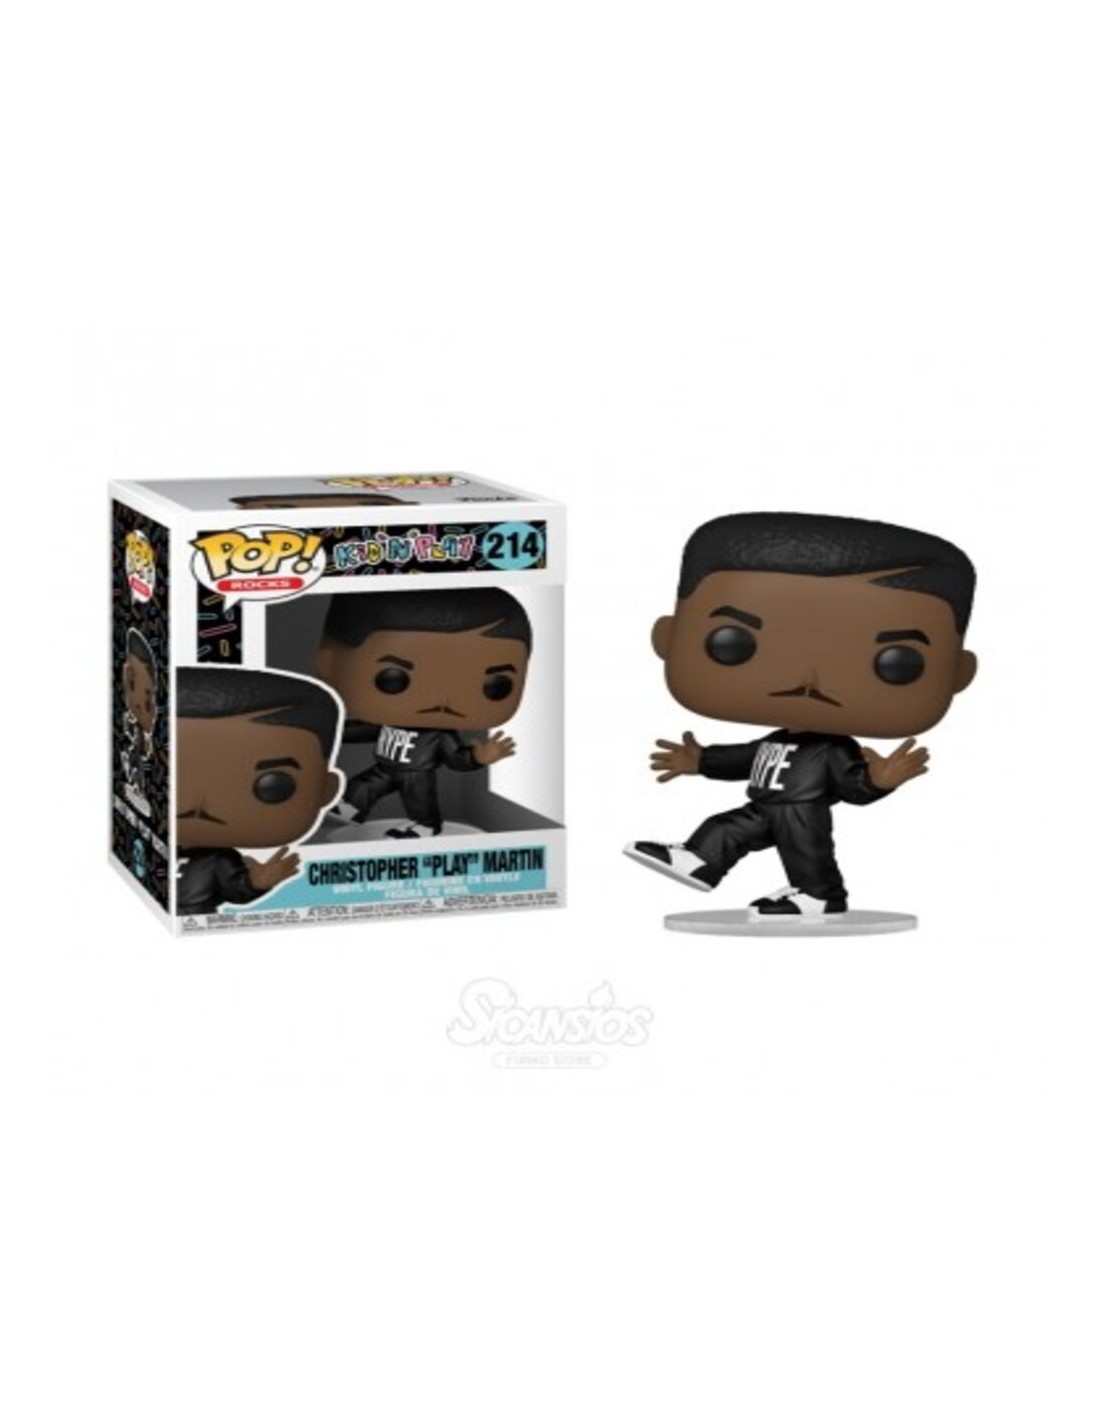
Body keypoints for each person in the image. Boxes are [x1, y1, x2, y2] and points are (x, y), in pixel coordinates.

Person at [624, 512, 977, 917]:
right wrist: (701, 760)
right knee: (724, 826)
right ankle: (700, 859)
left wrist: (876, 781)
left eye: (896, 663)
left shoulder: (832, 750)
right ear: (668, 638)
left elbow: (851, 786)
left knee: (806, 853)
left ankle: (819, 895)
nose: (809, 679)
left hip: (802, 813)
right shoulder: (779, 740)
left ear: (957, 673)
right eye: (732, 643)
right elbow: (746, 757)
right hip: (764, 806)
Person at [315, 587, 531, 838]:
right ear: (328, 663)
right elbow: (365, 730)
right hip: (386, 766)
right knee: (363, 785)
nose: (443, 699)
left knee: (418, 799)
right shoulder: (390, 720)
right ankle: (350, 807)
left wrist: (477, 757)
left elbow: (454, 758)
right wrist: (332, 730)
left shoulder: (438, 735)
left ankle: (427, 824)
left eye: (495, 686)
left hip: (416, 774)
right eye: (393, 679)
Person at [175, 667, 343, 915]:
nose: (200, 803)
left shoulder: (218, 861)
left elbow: (236, 890)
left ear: (326, 790)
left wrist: (256, 883)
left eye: (272, 786)